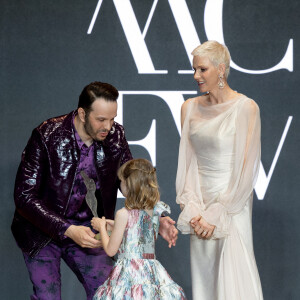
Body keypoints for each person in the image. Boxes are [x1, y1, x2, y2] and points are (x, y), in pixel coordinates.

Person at [11, 81, 178, 300]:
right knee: (47, 296)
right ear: (82, 113)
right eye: (100, 119)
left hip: (90, 228)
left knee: (109, 293)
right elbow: (24, 196)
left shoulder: (115, 135)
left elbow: (134, 182)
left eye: (112, 119)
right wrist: (67, 229)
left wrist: (157, 216)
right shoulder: (47, 135)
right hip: (42, 231)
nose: (108, 127)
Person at [175, 41, 264, 300]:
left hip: (231, 208)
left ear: (221, 70)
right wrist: (192, 207)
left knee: (235, 280)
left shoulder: (246, 107)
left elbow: (247, 169)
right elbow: (187, 163)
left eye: (202, 69)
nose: (196, 76)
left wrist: (218, 213)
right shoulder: (188, 107)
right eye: (194, 69)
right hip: (199, 211)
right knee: (206, 282)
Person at [91, 158, 187, 299]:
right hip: (151, 271)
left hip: (129, 273)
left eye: (122, 181)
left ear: (129, 184)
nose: (120, 185)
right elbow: (135, 229)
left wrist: (102, 227)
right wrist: (112, 224)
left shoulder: (123, 214)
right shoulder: (154, 211)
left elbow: (111, 249)